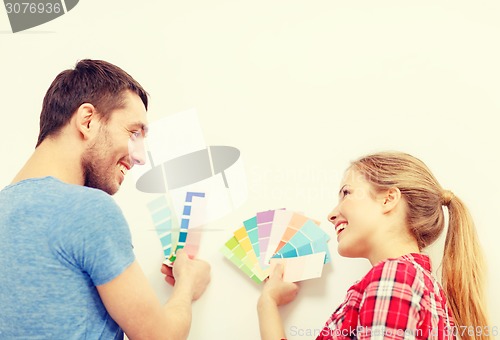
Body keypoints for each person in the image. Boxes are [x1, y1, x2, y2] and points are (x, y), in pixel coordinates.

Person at [0, 59, 211, 339]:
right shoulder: (87, 210)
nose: (139, 156)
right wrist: (187, 285)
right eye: (134, 133)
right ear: (87, 120)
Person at [258, 152, 490, 340]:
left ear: (388, 199)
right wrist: (267, 303)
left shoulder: (394, 277)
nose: (331, 214)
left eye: (346, 193)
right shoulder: (417, 284)